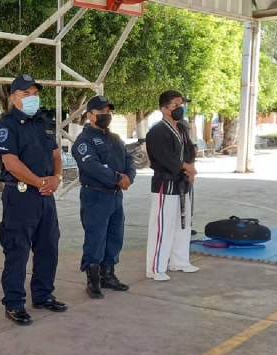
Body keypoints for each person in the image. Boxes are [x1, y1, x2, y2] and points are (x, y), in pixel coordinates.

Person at [0, 74, 67, 326]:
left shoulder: (44, 123)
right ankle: (14, 303)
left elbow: (56, 154)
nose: (32, 98)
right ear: (13, 98)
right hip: (21, 195)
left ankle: (43, 295)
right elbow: (10, 163)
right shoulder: (7, 126)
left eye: (35, 93)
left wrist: (56, 177)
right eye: (26, 94)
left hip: (46, 196)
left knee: (48, 246)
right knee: (18, 250)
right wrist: (40, 182)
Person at [72, 95, 135, 299]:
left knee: (115, 236)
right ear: (90, 115)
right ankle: (93, 280)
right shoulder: (84, 141)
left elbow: (128, 159)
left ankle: (108, 275)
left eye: (108, 111)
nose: (106, 115)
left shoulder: (115, 138)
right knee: (95, 238)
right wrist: (118, 178)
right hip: (96, 196)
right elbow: (92, 166)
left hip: (115, 196)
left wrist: (128, 178)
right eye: (101, 112)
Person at [145, 90, 199, 281]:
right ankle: (155, 268)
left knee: (182, 224)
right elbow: (165, 158)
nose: (180, 108)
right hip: (165, 184)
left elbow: (190, 151)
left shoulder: (183, 129)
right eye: (176, 105)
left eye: (181, 104)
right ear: (164, 109)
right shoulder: (157, 132)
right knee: (163, 227)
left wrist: (190, 168)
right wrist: (186, 168)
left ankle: (180, 261)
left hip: (183, 183)